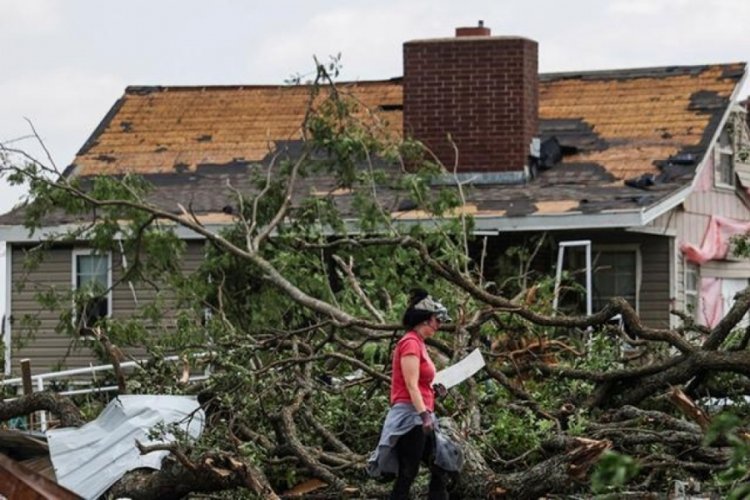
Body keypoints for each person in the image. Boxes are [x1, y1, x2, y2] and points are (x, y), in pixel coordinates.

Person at [367, 289, 463, 500]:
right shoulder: (410, 343)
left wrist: (434, 392)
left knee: (442, 463)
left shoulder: (419, 343)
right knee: (408, 473)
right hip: (410, 418)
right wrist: (424, 415)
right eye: (437, 321)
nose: (439, 326)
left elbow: (419, 384)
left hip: (420, 414)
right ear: (427, 320)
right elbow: (410, 385)